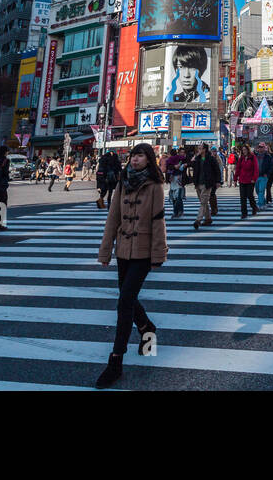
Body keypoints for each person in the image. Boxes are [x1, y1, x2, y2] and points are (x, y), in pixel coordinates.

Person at [95, 143, 168, 389]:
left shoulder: (155, 186)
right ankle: (147, 327)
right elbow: (112, 217)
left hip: (144, 252)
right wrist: (105, 251)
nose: (135, 160)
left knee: (124, 301)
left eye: (140, 156)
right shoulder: (122, 181)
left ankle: (115, 361)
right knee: (128, 298)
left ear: (149, 160)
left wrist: (159, 254)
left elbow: (158, 222)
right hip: (123, 251)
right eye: (133, 155)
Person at [191, 144, 222, 229]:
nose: (199, 150)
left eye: (200, 148)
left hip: (207, 184)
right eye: (198, 148)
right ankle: (208, 219)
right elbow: (193, 168)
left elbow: (217, 170)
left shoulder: (211, 159)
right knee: (203, 203)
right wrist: (193, 161)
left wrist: (218, 181)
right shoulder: (197, 159)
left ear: (204, 149)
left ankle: (198, 220)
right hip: (198, 183)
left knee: (203, 202)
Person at [165, 147, 188, 218]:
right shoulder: (177, 159)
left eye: (184, 153)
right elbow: (168, 168)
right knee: (175, 197)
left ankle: (177, 212)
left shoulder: (182, 160)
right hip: (174, 180)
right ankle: (179, 211)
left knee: (178, 197)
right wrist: (175, 167)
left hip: (179, 180)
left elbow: (168, 168)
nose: (182, 154)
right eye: (181, 152)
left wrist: (184, 165)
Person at [237, 144, 259, 219]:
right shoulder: (241, 158)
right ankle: (244, 213)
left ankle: (254, 207)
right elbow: (238, 168)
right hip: (242, 180)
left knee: (250, 196)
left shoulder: (253, 157)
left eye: (245, 150)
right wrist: (235, 178)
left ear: (248, 150)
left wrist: (254, 178)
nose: (244, 151)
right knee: (242, 198)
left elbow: (256, 169)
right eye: (243, 150)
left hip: (250, 180)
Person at [255, 144, 273, 209]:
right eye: (259, 147)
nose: (260, 149)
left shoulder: (268, 156)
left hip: (264, 176)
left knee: (261, 190)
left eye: (261, 147)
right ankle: (263, 202)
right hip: (256, 176)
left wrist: (268, 173)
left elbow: (271, 166)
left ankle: (260, 204)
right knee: (257, 190)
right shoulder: (255, 156)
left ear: (264, 148)